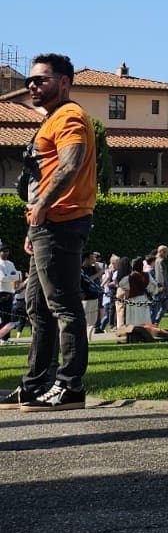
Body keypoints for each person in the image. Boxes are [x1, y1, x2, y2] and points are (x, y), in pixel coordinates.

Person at [1, 54, 98, 412]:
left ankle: (70, 387)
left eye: (41, 79)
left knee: (63, 306)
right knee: (38, 308)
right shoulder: (52, 120)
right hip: (46, 224)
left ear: (64, 82)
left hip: (61, 221)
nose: (32, 86)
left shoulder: (70, 117)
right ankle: (35, 385)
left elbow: (72, 162)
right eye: (31, 80)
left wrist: (42, 207)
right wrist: (33, 223)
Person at [0, 245, 19, 328]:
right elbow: (2, 278)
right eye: (4, 251)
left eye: (7, 251)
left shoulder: (11, 263)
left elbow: (17, 276)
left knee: (8, 316)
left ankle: (6, 337)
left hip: (9, 291)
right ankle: (2, 336)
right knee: (2, 315)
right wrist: (11, 277)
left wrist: (9, 277)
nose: (6, 253)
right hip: (1, 291)